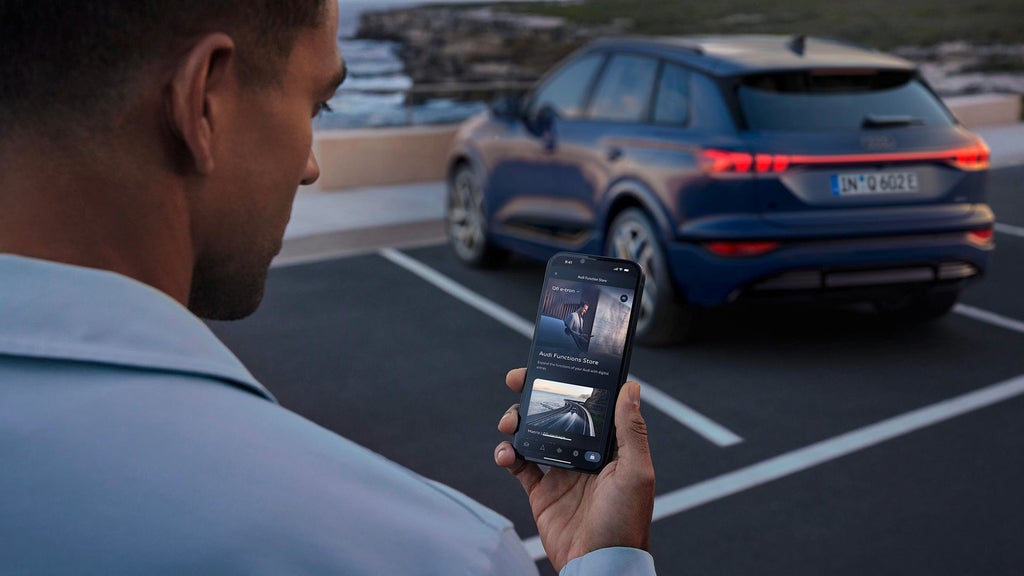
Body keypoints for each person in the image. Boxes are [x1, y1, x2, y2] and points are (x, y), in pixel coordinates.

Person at [0, 1, 657, 575]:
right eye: (318, 104)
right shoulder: (434, 554)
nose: (311, 166)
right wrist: (606, 559)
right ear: (202, 102)